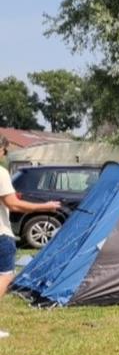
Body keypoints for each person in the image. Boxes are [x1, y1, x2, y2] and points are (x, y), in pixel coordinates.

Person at [0, 135, 61, 338]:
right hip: (1, 234)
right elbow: (13, 204)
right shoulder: (0, 173)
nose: (5, 154)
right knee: (5, 276)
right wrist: (45, 206)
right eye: (5, 150)